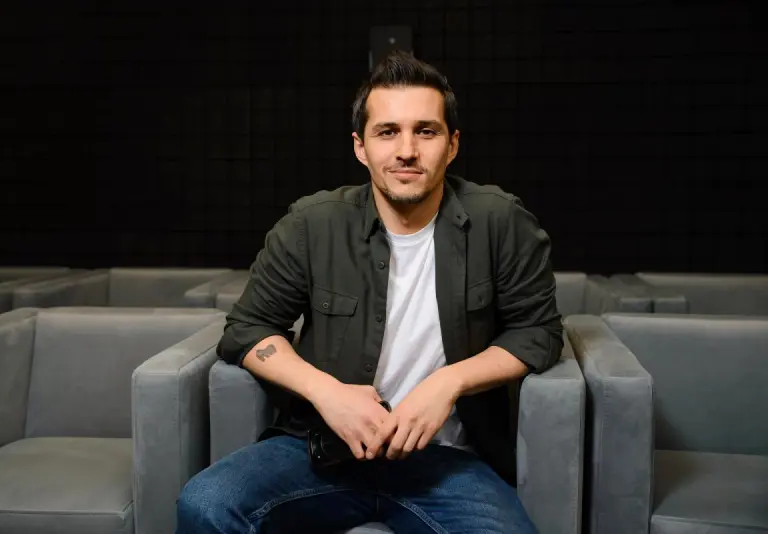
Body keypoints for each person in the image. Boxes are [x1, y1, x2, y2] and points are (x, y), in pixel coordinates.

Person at [176, 51, 563, 534]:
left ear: (452, 145)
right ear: (361, 147)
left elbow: (538, 332)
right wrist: (327, 393)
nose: (407, 150)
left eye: (426, 131)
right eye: (388, 132)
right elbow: (247, 329)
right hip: (321, 448)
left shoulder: (501, 221)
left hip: (448, 460)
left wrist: (448, 383)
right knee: (206, 504)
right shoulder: (311, 224)